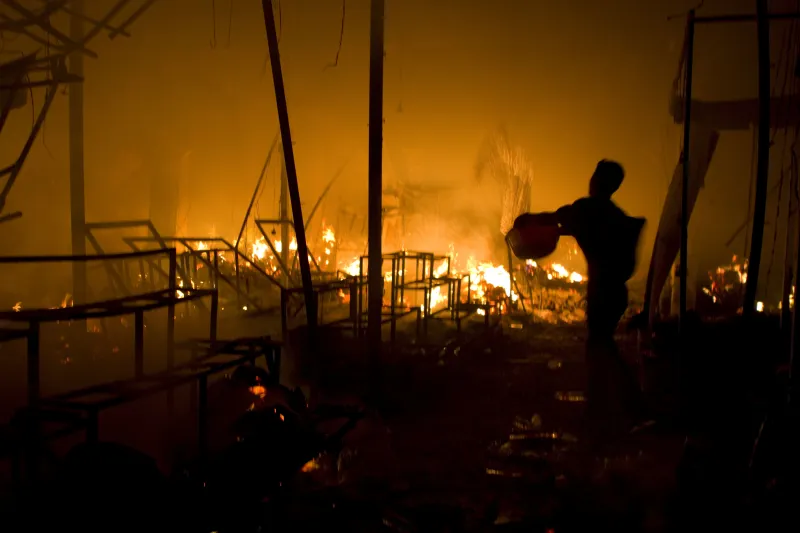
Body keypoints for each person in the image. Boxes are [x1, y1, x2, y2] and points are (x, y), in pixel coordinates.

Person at [514, 160, 647, 448]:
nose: (592, 180)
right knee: (601, 345)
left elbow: (558, 219)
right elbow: (566, 226)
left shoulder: (589, 209)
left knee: (599, 347)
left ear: (599, 181)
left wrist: (528, 220)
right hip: (615, 291)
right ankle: (612, 405)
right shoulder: (608, 213)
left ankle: (621, 406)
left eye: (595, 176)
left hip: (604, 291)